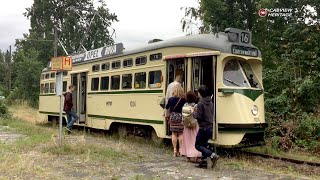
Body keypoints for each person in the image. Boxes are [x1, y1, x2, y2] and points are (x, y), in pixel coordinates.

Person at [193, 85, 219, 168]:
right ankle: (203, 163)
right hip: (210, 127)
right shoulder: (211, 102)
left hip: (203, 127)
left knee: (197, 145)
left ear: (200, 93)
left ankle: (212, 155)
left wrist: (193, 113)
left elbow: (199, 116)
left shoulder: (200, 103)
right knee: (204, 145)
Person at [180, 91, 201, 162]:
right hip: (194, 125)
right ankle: (197, 156)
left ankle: (188, 156)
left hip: (186, 126)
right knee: (195, 140)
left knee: (187, 140)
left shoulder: (184, 105)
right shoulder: (196, 105)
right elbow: (198, 115)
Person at [166, 86, 186, 157]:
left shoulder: (171, 99)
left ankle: (175, 150)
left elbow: (166, 107)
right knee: (180, 133)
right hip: (181, 117)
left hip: (173, 117)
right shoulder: (184, 99)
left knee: (174, 134)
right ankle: (180, 150)